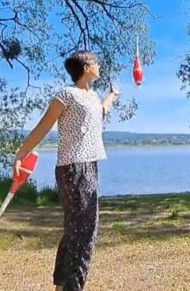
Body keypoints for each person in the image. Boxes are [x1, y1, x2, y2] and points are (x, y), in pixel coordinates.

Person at [12, 51, 119, 291]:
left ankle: (63, 286)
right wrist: (21, 154)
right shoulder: (67, 94)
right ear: (85, 67)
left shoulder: (91, 97)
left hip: (90, 165)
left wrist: (112, 95)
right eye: (95, 62)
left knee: (77, 229)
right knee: (84, 231)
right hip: (74, 168)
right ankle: (72, 286)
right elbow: (43, 126)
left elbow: (101, 111)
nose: (99, 65)